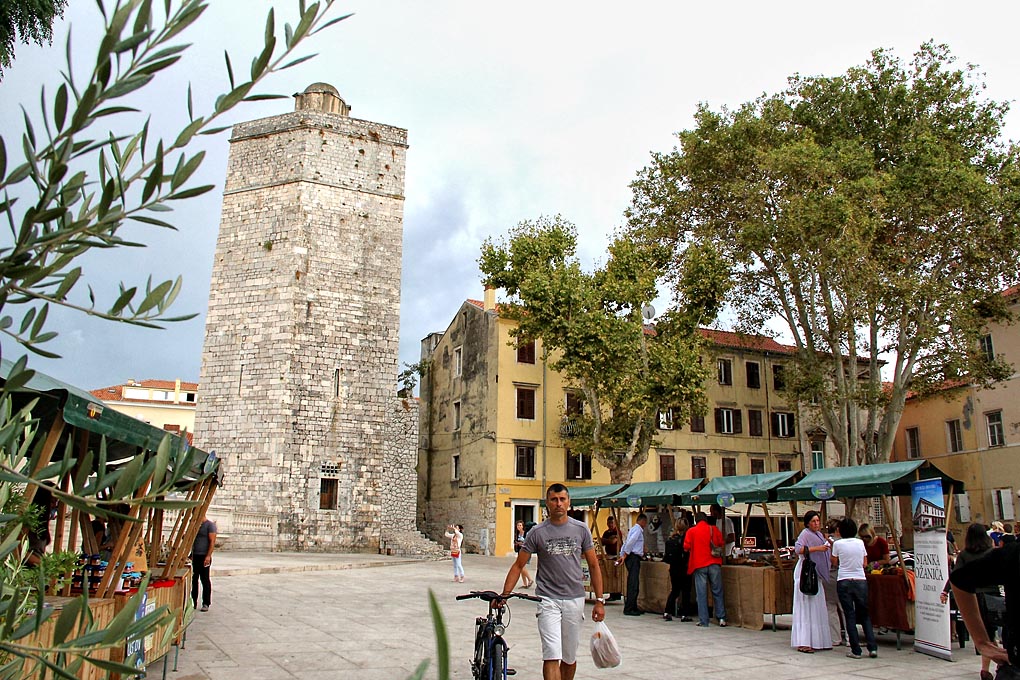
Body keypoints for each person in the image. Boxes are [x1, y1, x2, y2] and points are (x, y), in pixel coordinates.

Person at [499, 483, 605, 680]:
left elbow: (593, 565)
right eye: (554, 500)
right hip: (547, 600)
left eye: (562, 499)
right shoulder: (537, 533)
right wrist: (504, 595)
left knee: (569, 657)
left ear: (568, 502)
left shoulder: (581, 529)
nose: (558, 504)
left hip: (575, 599)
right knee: (551, 655)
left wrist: (599, 600)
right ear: (547, 503)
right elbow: (518, 565)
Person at [950, 528, 1019, 678]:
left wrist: (981, 641)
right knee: (991, 630)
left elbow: (958, 580)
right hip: (988, 596)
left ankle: (985, 667)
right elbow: (958, 580)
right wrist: (981, 642)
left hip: (986, 596)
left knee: (991, 630)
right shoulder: (1012, 553)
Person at [943, 523, 998, 680]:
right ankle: (998, 664)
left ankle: (986, 668)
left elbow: (955, 577)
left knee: (982, 635)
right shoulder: (992, 553)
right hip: (993, 595)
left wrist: (946, 591)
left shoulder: (965, 555)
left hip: (974, 597)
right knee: (992, 633)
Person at [831, 517, 877, 659]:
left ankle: (856, 650)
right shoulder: (860, 543)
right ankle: (872, 647)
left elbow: (834, 562)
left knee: (849, 614)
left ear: (840, 531)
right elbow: (864, 563)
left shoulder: (837, 544)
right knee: (864, 615)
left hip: (844, 579)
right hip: (860, 580)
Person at [791, 510, 832, 652]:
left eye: (818, 521)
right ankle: (804, 641)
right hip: (806, 572)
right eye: (813, 521)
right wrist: (817, 549)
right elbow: (798, 549)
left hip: (816, 573)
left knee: (816, 606)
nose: (816, 524)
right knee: (805, 606)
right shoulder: (805, 534)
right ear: (808, 523)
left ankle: (818, 640)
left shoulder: (819, 535)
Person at [684, 511, 726, 627]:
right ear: (706, 519)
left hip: (699, 564)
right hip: (714, 563)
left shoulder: (691, 531)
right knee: (717, 591)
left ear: (695, 520)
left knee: (701, 593)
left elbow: (686, 547)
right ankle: (721, 618)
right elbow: (721, 542)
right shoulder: (714, 529)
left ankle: (704, 620)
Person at [616, 513, 648, 616]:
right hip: (633, 557)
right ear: (642, 521)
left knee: (634, 583)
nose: (646, 524)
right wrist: (625, 555)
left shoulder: (634, 529)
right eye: (645, 522)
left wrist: (622, 555)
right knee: (633, 583)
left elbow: (626, 542)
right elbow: (630, 543)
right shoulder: (637, 530)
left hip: (632, 556)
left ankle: (633, 606)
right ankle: (629, 608)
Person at [663, 519, 693, 622]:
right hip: (685, 567)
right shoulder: (687, 539)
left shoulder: (671, 539)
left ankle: (667, 611)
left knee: (674, 590)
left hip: (673, 568)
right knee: (686, 591)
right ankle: (685, 614)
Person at [824, 518, 847, 646]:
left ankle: (835, 638)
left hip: (827, 576)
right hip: (839, 574)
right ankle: (850, 637)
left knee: (831, 608)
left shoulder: (824, 543)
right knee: (844, 607)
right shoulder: (841, 542)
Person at [192, 512, 217, 612]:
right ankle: (193, 601)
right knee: (194, 579)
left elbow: (212, 541)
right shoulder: (195, 525)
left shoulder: (209, 525)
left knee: (205, 579)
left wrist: (208, 556)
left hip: (204, 555)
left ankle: (206, 602)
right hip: (195, 555)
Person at [600, 516, 624, 601]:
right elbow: (601, 541)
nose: (610, 525)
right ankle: (612, 593)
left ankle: (616, 593)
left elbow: (613, 541)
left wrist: (607, 540)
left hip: (616, 556)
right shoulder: (606, 532)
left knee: (616, 574)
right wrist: (606, 540)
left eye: (612, 523)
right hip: (609, 555)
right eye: (609, 523)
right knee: (609, 574)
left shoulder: (617, 532)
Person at [514, 520, 534, 588]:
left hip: (526, 551)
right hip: (520, 551)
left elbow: (528, 542)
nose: (519, 527)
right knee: (521, 567)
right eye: (518, 525)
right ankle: (525, 584)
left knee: (521, 566)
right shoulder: (517, 534)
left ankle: (530, 579)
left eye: (520, 525)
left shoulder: (526, 534)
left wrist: (521, 543)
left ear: (523, 526)